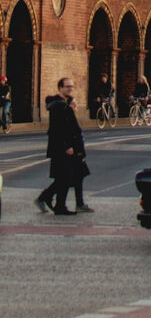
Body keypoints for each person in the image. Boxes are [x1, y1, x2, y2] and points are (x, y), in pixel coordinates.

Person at [36, 77, 92, 215]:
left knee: (74, 174)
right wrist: (67, 145)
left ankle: (71, 203)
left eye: (72, 86)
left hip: (74, 146)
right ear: (60, 88)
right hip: (64, 148)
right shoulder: (58, 106)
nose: (70, 89)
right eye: (67, 86)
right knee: (64, 177)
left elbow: (71, 125)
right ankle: (52, 201)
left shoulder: (66, 104)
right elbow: (57, 129)